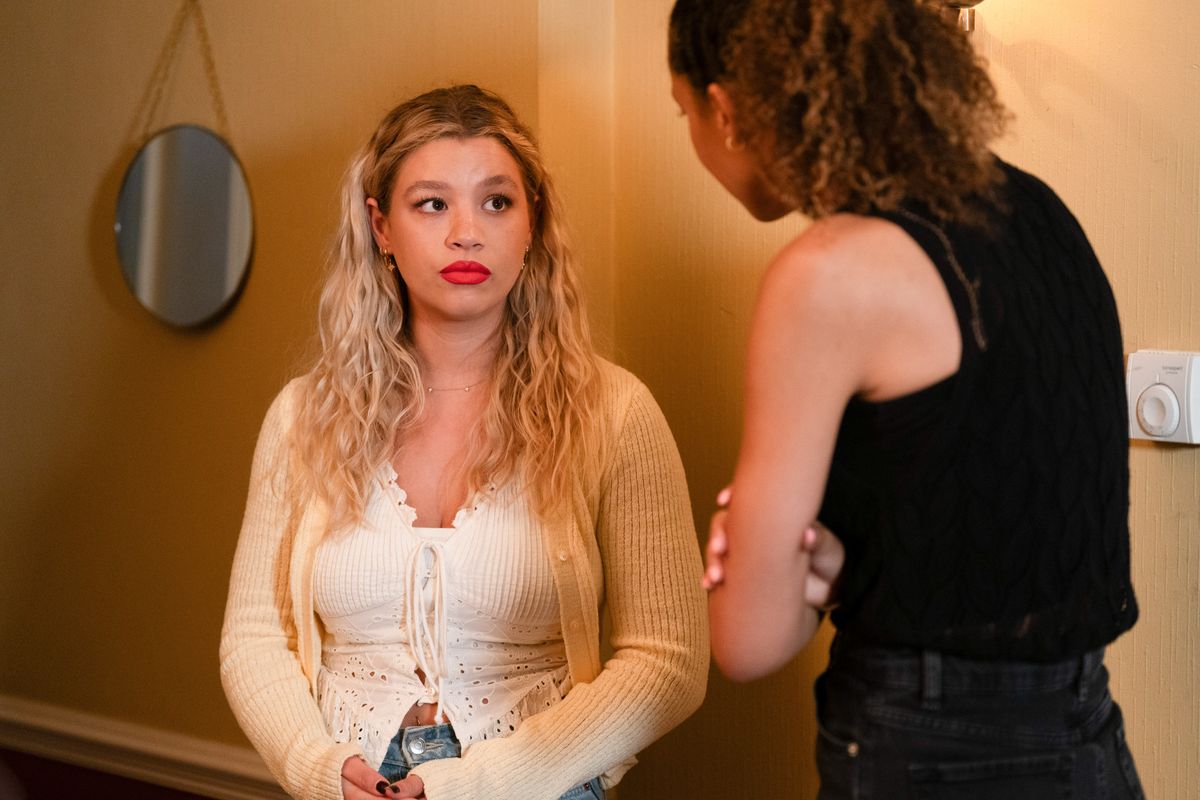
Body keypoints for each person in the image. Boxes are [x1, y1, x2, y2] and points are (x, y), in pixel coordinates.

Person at [668, 1, 1145, 797]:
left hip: (924, 752)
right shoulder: (1041, 214)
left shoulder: (829, 273)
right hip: (1087, 737)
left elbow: (747, 640)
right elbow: (985, 504)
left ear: (727, 109)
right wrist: (835, 550)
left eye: (683, 113)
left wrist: (768, 554)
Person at [219, 84, 708, 800]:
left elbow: (668, 661)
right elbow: (253, 636)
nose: (466, 233)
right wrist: (317, 767)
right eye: (432, 204)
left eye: (496, 201)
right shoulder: (305, 417)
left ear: (532, 221)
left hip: (540, 786)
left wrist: (490, 781)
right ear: (380, 226)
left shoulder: (615, 412)